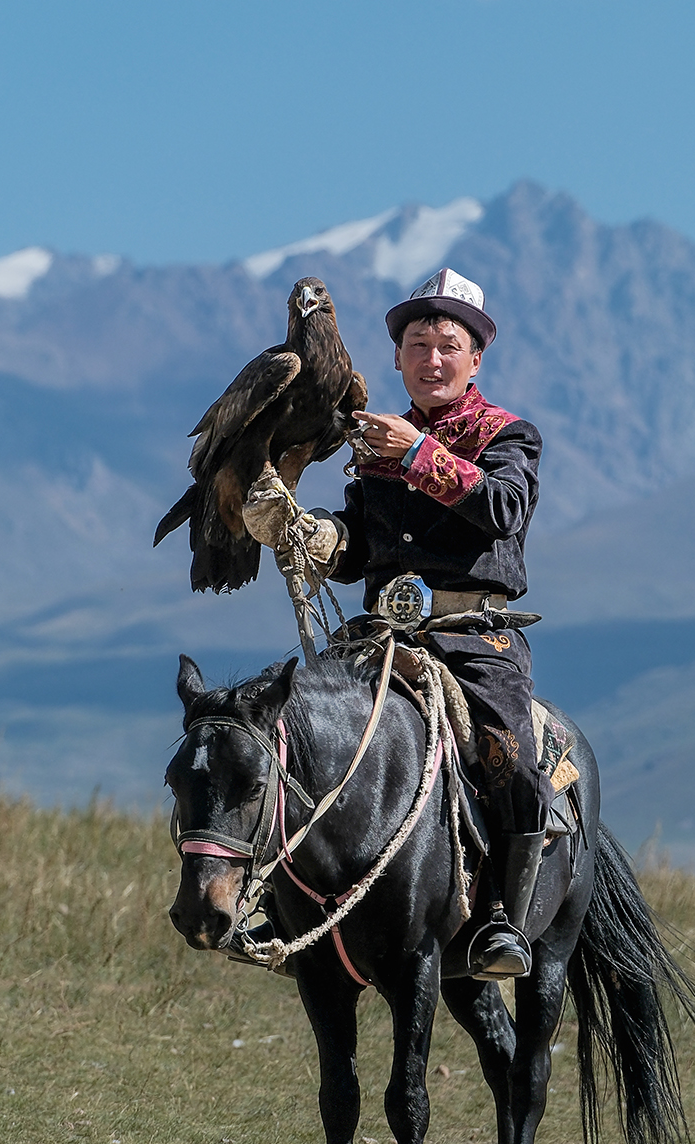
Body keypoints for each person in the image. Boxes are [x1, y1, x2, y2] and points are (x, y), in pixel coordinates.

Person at [243, 268, 552, 979]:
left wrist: (415, 455)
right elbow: (358, 546)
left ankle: (503, 918)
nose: (432, 358)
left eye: (449, 344)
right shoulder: (372, 444)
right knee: (296, 730)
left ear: (476, 359)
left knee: (509, 755)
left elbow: (502, 508)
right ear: (396, 359)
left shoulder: (508, 435)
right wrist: (310, 534)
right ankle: (292, 902)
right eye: (418, 344)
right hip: (379, 635)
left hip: (475, 637)